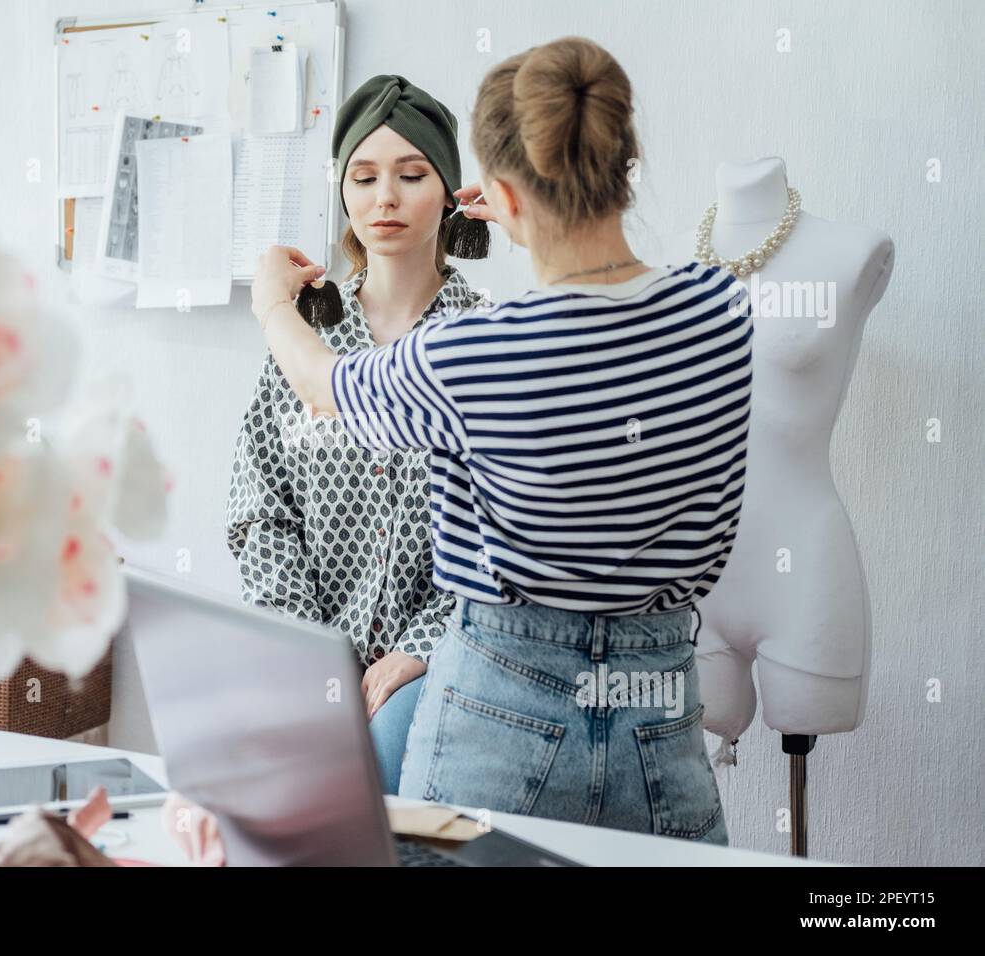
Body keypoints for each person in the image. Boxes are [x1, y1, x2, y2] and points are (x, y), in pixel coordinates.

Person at [247, 37, 752, 844]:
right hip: (657, 711)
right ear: (627, 163)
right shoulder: (719, 314)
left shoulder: (473, 353)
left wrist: (273, 305)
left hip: (499, 711)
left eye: (414, 175)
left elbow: (325, 386)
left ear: (496, 195)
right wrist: (531, 212)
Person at [225, 75, 488, 794]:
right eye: (365, 177)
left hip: (444, 656)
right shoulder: (306, 335)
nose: (386, 199)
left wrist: (420, 647)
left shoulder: (485, 339)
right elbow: (260, 508)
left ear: (450, 191)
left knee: (369, 766)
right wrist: (309, 648)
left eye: (412, 175)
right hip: (310, 646)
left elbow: (507, 529)